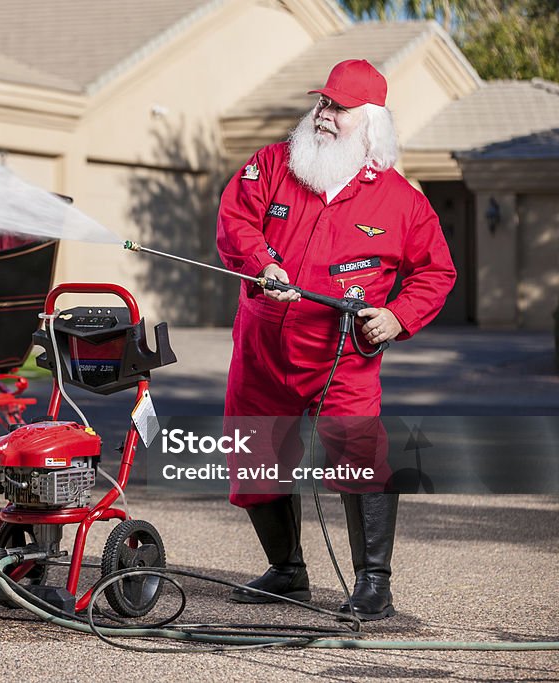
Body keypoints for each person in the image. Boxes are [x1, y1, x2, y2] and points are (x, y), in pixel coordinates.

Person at [214, 59, 456, 620]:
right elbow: (236, 221)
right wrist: (262, 262)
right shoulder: (272, 165)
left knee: (359, 457)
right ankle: (287, 570)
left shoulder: (401, 202)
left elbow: (436, 272)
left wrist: (398, 317)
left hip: (342, 356)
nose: (324, 115)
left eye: (339, 108)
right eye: (323, 103)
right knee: (255, 453)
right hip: (262, 350)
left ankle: (374, 583)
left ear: (370, 123)